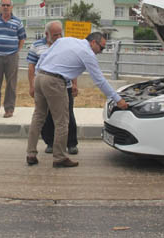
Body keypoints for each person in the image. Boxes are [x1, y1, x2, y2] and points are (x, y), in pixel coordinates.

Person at [26, 26, 128, 168]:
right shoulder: (87, 53)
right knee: (62, 121)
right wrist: (118, 99)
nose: (101, 51)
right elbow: (99, 80)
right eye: (102, 47)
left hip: (40, 76)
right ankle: (59, 157)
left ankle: (31, 154)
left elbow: (44, 56)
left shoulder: (66, 40)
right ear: (93, 42)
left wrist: (38, 74)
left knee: (38, 117)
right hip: (55, 81)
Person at [26, 22, 79, 155]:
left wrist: (75, 84)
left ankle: (71, 143)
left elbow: (72, 65)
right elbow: (31, 67)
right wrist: (32, 85)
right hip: (44, 86)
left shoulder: (65, 44)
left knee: (67, 116)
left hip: (64, 85)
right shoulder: (36, 46)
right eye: (55, 34)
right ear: (46, 34)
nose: (58, 36)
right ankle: (50, 143)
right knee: (44, 116)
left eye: (60, 33)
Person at [0, 0, 26, 118]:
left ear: (11, 7)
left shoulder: (17, 22)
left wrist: (15, 51)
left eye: (8, 5)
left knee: (11, 84)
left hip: (12, 57)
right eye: (3, 5)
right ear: (0, 7)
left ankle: (9, 109)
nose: (5, 7)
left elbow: (22, 38)